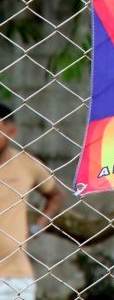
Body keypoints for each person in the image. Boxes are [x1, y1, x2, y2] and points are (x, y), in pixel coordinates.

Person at [0, 104, 64, 300]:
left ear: (11, 131)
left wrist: (38, 227)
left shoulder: (26, 164)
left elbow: (56, 195)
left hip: (14, 277)